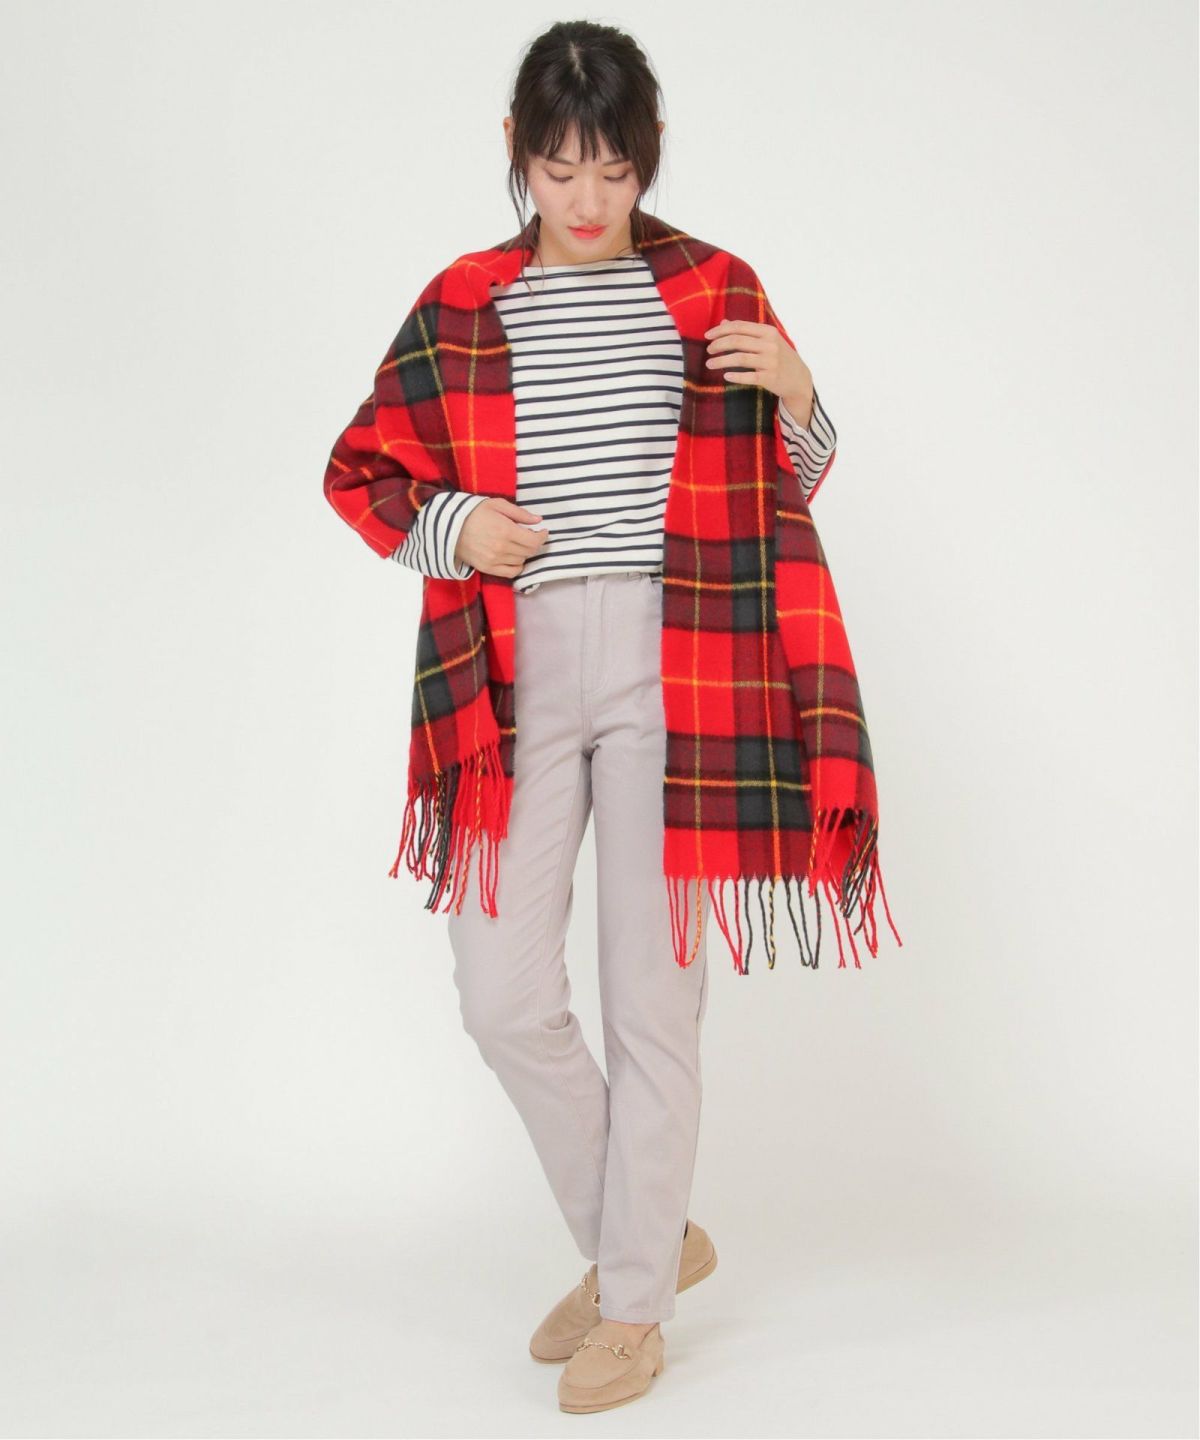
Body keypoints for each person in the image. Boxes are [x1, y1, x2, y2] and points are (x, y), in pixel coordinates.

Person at [329, 19, 837, 1414]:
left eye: (616, 169)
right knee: (501, 994)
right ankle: (645, 1244)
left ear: (648, 157)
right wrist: (457, 524)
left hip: (685, 659)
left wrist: (805, 397)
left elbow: (790, 483)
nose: (591, 199)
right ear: (517, 152)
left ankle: (632, 1308)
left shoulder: (712, 287)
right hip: (519, 664)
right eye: (561, 169)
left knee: (653, 999)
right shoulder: (464, 302)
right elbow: (361, 470)